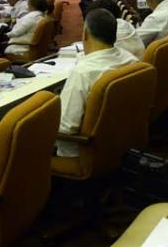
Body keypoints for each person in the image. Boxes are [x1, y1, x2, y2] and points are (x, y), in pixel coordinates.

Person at [56, 9, 139, 157]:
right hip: (119, 141)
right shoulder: (132, 60)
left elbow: (65, 128)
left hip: (81, 151)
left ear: (85, 34)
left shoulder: (82, 73)